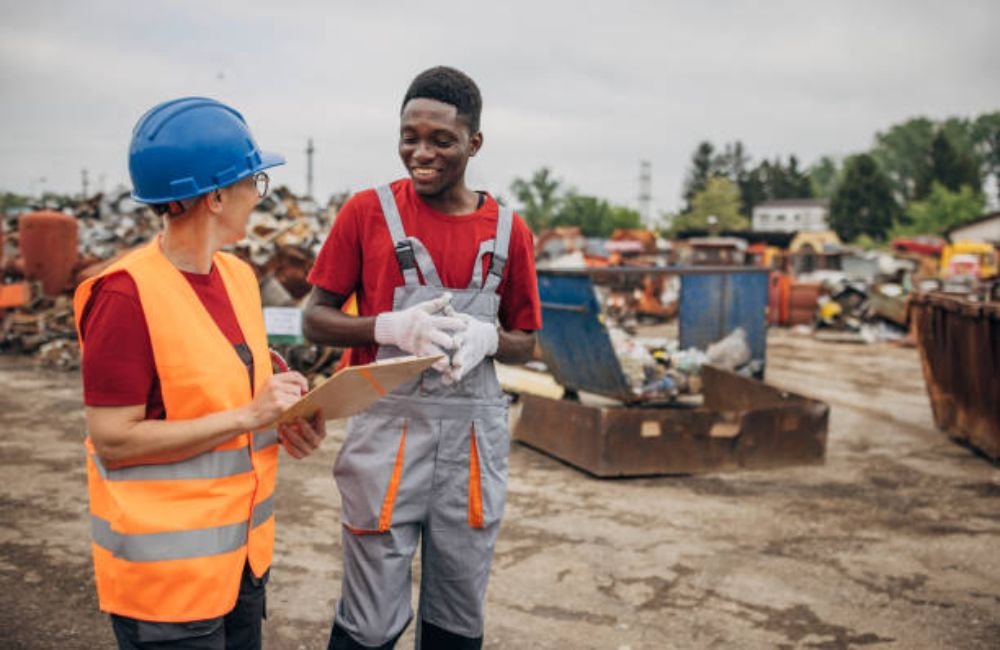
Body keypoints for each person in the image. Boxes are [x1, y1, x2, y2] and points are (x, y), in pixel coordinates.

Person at [73, 96, 327, 649]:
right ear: (215, 196)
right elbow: (114, 439)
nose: (258, 197)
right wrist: (250, 414)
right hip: (167, 587)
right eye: (253, 182)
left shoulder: (237, 277)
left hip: (240, 565)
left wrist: (284, 417)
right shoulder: (124, 296)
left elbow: (232, 396)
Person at [304, 66, 542, 649]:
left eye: (441, 140)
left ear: (474, 143)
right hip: (386, 434)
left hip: (472, 447)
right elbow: (314, 316)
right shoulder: (366, 213)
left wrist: (488, 338)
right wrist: (388, 326)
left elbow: (526, 339)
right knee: (368, 621)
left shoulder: (511, 232)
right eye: (410, 136)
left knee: (457, 616)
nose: (421, 152)